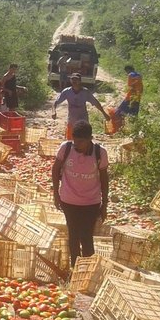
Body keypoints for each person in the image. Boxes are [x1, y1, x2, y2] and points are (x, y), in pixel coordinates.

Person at [52, 120, 109, 267]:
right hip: (68, 200)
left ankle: (87, 268)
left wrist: (105, 204)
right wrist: (56, 194)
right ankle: (75, 267)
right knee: (73, 234)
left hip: (91, 201)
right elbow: (55, 169)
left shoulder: (99, 152)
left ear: (90, 139)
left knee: (87, 236)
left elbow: (104, 178)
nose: (77, 145)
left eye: (81, 142)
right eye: (75, 140)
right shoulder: (66, 148)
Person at [52, 73, 110, 140]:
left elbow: (96, 103)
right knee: (70, 141)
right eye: (72, 79)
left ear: (80, 81)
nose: (74, 81)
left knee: (84, 140)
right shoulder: (66, 92)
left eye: (76, 79)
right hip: (72, 121)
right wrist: (54, 111)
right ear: (70, 80)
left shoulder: (85, 92)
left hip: (83, 122)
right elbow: (55, 102)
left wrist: (104, 113)